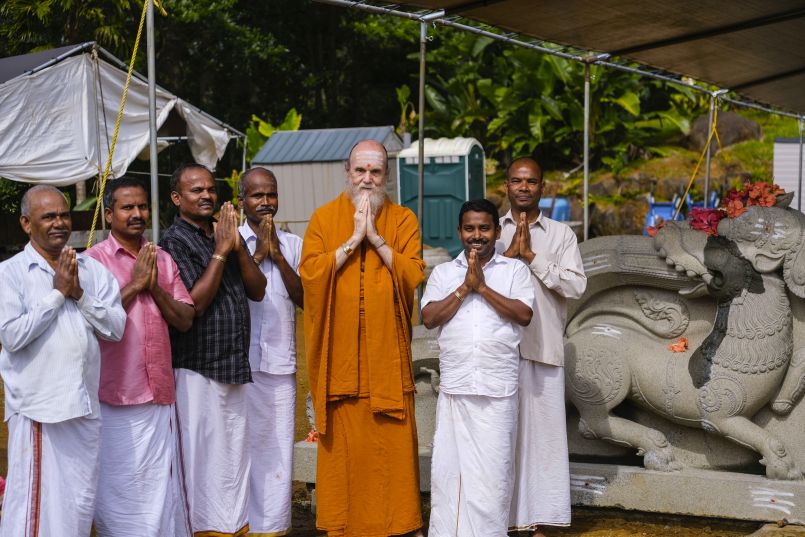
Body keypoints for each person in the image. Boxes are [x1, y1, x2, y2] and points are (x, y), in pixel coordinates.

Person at [301, 139, 426, 537]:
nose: (367, 179)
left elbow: (412, 274)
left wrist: (375, 237)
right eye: (360, 170)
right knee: (345, 452)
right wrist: (353, 239)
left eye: (375, 171)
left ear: (386, 176)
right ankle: (341, 526)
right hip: (341, 363)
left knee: (390, 450)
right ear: (347, 171)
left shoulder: (403, 219)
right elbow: (311, 274)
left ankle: (398, 525)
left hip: (385, 359)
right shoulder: (323, 218)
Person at [0, 185, 126, 536]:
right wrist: (57, 293)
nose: (59, 223)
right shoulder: (10, 273)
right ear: (26, 223)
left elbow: (116, 329)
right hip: (41, 409)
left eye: (64, 215)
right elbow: (12, 336)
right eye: (48, 216)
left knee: (77, 503)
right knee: (35, 508)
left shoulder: (91, 270)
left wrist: (79, 293)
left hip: (83, 407)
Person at [159, 163, 267, 536]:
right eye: (195, 190)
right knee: (201, 462)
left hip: (232, 365)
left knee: (233, 459)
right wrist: (221, 252)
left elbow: (258, 290)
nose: (206, 195)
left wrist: (234, 247)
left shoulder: (226, 234)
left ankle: (232, 528)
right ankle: (201, 529)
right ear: (177, 198)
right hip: (196, 370)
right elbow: (193, 304)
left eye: (210, 188)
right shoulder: (172, 243)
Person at [85, 177, 195, 537]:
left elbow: (184, 319)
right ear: (108, 214)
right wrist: (133, 285)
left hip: (158, 392)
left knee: (158, 488)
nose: (137, 214)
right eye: (127, 207)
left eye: (142, 207)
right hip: (114, 395)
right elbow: (92, 320)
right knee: (119, 486)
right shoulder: (92, 263)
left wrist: (154, 288)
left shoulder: (162, 258)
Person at [422, 199, 534, 537]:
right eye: (469, 229)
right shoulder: (444, 273)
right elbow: (428, 318)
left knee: (492, 475)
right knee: (449, 474)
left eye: (484, 228)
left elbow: (524, 314)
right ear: (459, 232)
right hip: (456, 390)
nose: (477, 235)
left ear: (497, 232)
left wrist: (482, 287)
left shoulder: (514, 271)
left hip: (497, 390)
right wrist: (464, 287)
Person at [497, 157, 587, 536]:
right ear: (506, 185)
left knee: (546, 444)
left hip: (545, 347)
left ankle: (543, 522)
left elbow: (577, 287)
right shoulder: (490, 228)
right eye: (516, 180)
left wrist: (532, 257)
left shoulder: (561, 235)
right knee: (504, 440)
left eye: (531, 181)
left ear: (542, 188)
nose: (523, 187)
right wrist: (507, 258)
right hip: (500, 352)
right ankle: (504, 520)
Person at [237, 167, 303, 536]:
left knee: (278, 450)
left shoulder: (293, 245)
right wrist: (258, 254)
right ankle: (243, 524)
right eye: (257, 195)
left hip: (280, 363)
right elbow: (239, 291)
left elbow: (305, 298)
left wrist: (277, 255)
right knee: (242, 447)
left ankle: (274, 528)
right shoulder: (230, 241)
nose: (265, 202)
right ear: (242, 198)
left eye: (271, 195)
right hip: (240, 364)